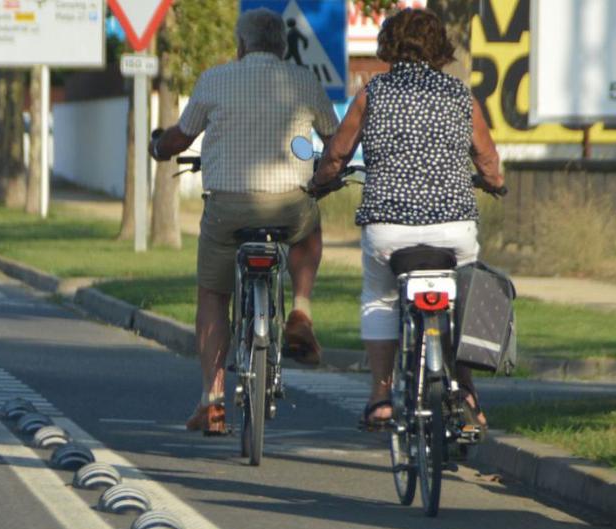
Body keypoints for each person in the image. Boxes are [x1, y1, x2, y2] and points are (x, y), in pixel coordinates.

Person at [308, 8, 504, 430]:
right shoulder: (459, 95)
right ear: (440, 48)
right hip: (453, 229)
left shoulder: (372, 93)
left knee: (380, 297)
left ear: (389, 46)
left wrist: (322, 181)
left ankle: (380, 397)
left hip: (388, 231)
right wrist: (493, 182)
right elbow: (488, 160)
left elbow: (338, 154)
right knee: (463, 297)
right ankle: (467, 392)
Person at [150, 8, 338, 435]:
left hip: (227, 208)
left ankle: (212, 402)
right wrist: (325, 172)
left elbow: (181, 135)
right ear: (283, 46)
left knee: (213, 295)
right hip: (289, 206)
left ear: (240, 45)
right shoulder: (305, 81)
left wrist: (159, 146)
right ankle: (302, 312)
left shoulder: (215, 79)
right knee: (309, 233)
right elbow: (333, 140)